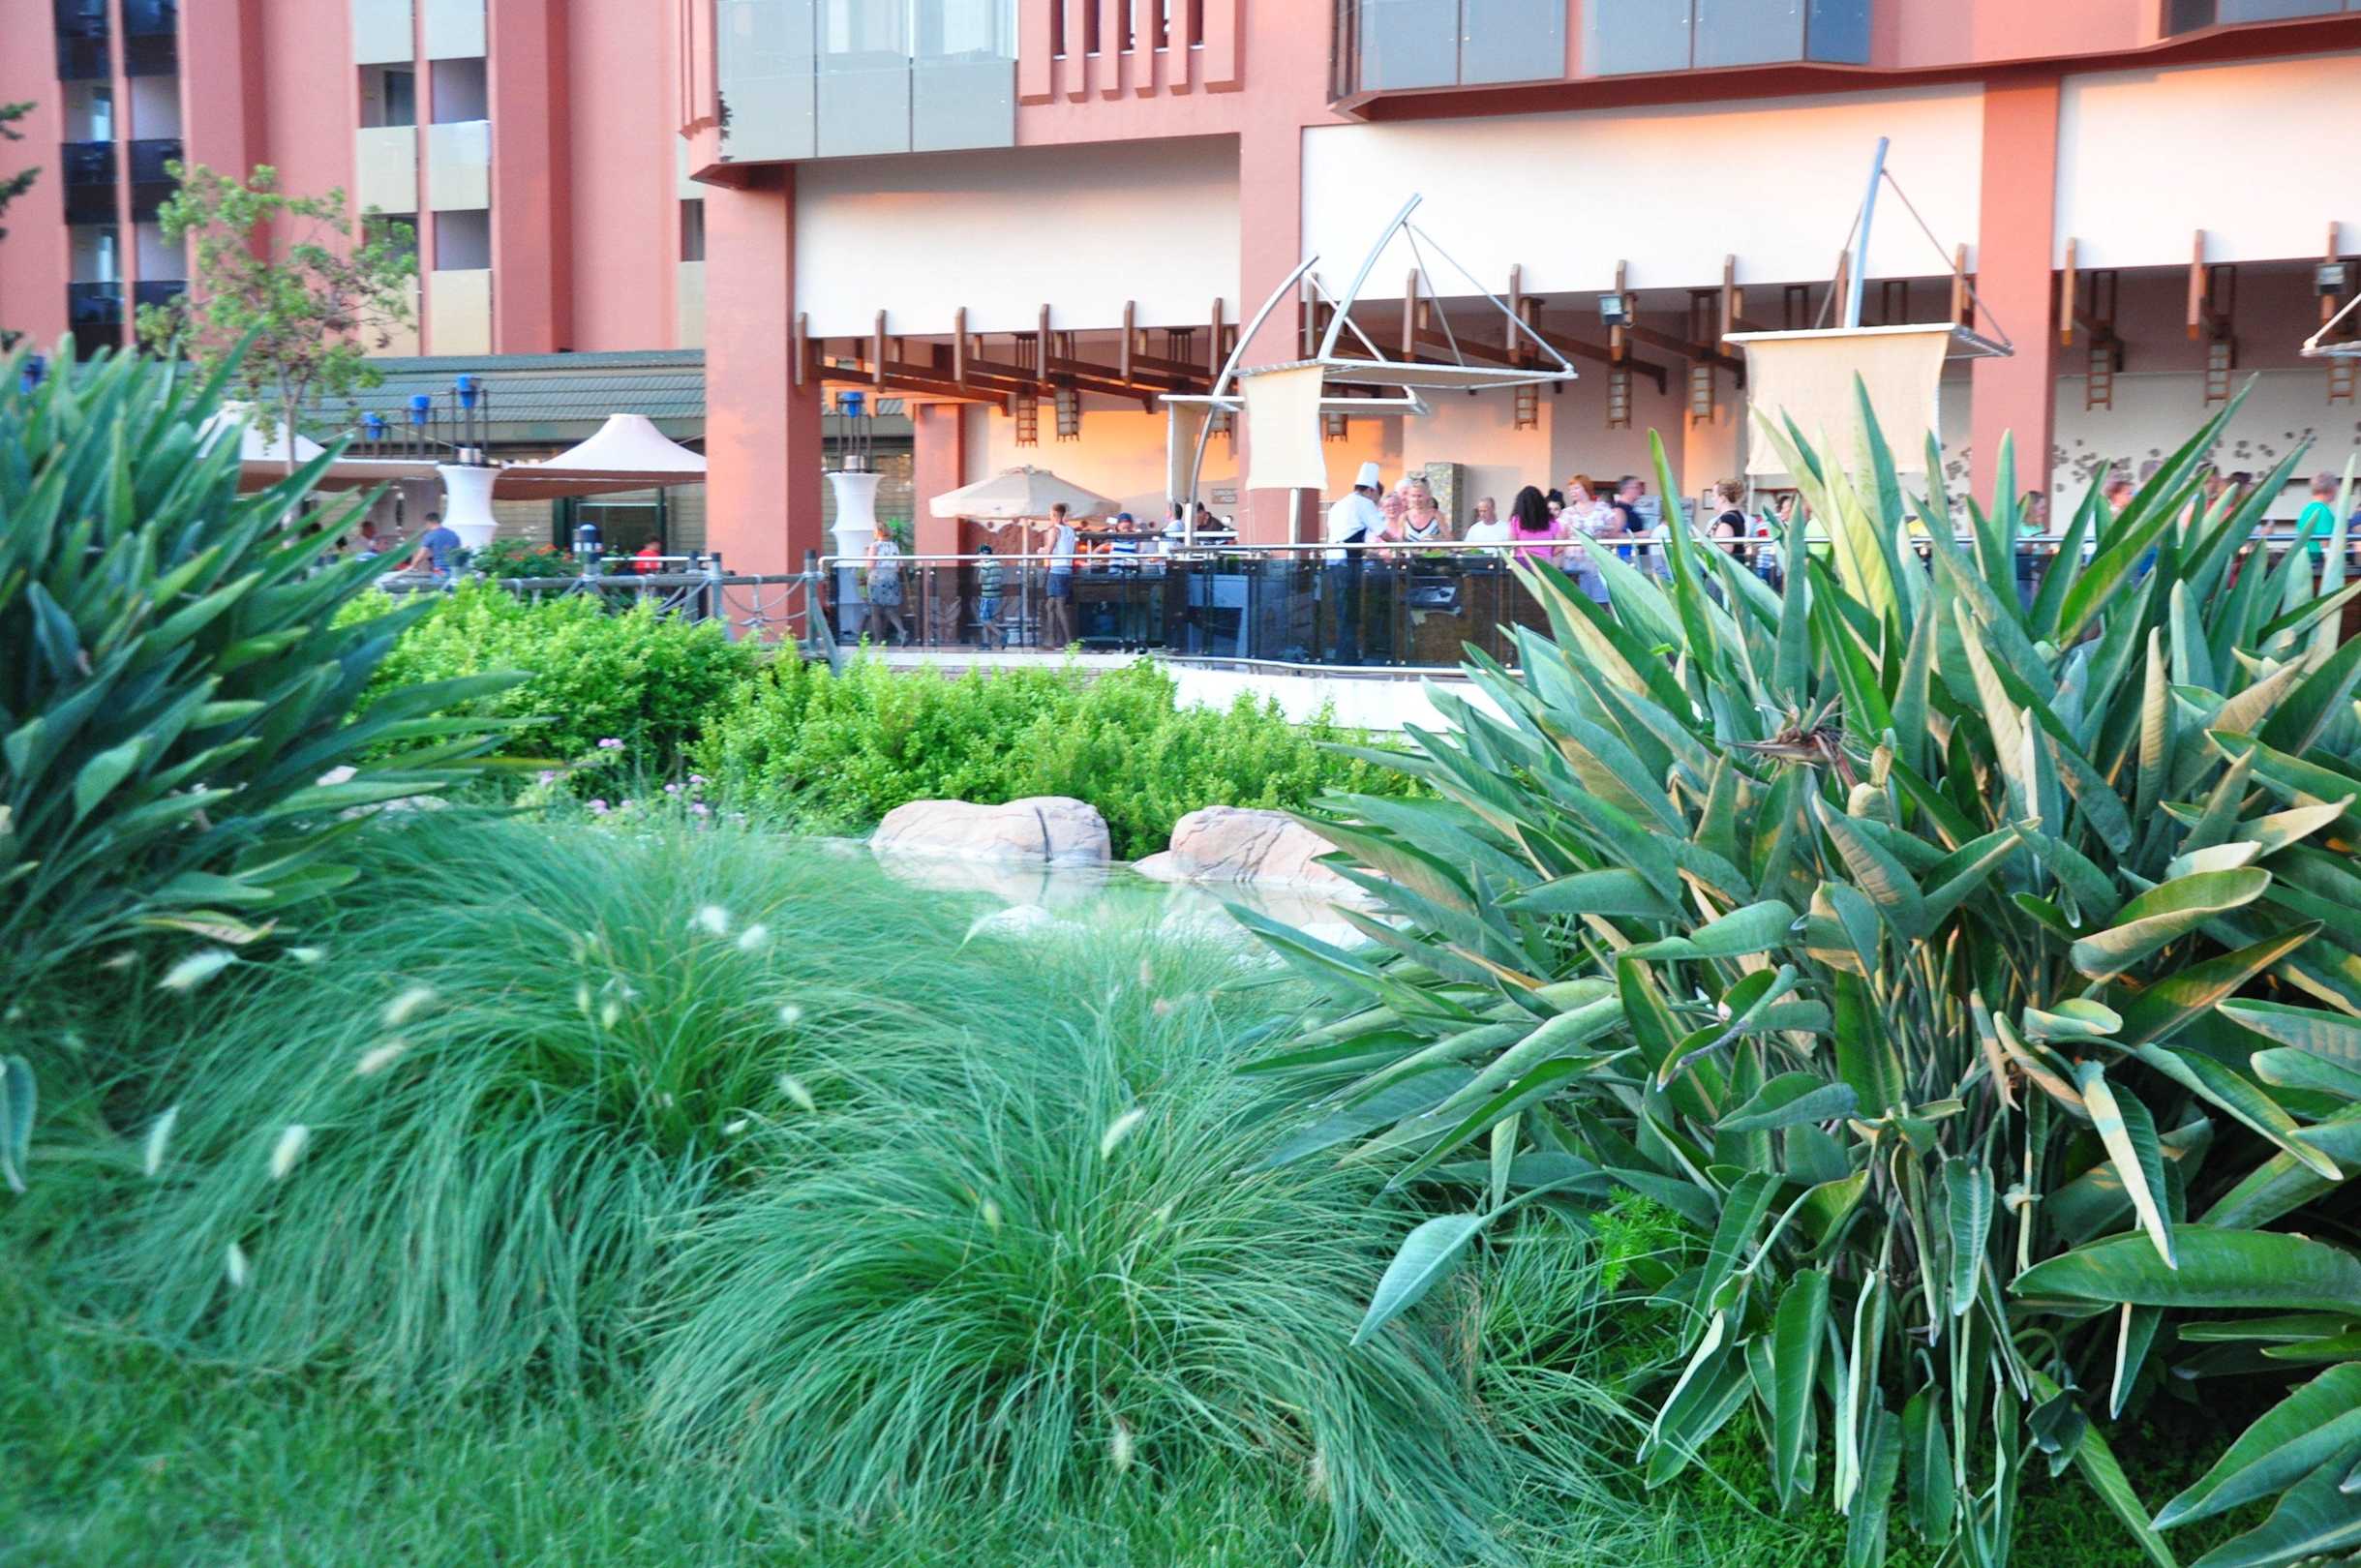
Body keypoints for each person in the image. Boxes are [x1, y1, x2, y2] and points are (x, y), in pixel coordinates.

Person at [1324, 460, 1384, 664]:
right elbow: (1382, 531)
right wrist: (1403, 546)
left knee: (1343, 609)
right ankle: (1346, 658)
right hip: (1348, 561)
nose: (1376, 501)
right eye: (1377, 496)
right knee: (1349, 609)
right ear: (1370, 490)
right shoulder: (1364, 503)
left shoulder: (1340, 504)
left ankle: (1346, 654)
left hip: (1334, 560)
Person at [1042, 502, 1078, 648]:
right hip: (1067, 569)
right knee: (1050, 605)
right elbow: (1074, 551)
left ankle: (1068, 641)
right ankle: (1052, 639)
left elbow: (1048, 550)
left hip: (1056, 570)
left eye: (1050, 515)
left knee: (1059, 606)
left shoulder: (1054, 530)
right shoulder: (1071, 531)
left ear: (1054, 515)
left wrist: (1040, 550)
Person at [863, 530, 909, 646]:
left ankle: (878, 639)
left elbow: (870, 565)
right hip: (892, 578)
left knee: (875, 610)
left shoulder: (875, 546)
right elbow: (900, 566)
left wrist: (867, 574)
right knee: (890, 609)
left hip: (877, 578)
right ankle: (902, 631)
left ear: (876, 533)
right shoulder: (894, 546)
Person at [1506, 485, 1561, 567]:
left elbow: (1511, 543)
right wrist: (1548, 554)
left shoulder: (1516, 520)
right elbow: (1561, 546)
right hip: (1545, 562)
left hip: (1523, 562)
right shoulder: (1551, 521)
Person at [2297, 472, 2342, 568]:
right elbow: (2325, 541)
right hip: (2318, 561)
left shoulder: (2307, 509)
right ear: (2331, 489)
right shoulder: (2323, 510)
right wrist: (2331, 565)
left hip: (2305, 559)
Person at [408, 511, 463, 582]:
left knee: (437, 588)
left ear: (429, 522)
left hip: (439, 572)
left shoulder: (430, 535)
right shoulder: (453, 534)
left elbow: (420, 555)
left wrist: (412, 566)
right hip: (454, 572)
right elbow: (457, 552)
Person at [973, 543, 1005, 650]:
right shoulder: (998, 564)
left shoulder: (986, 566)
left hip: (987, 595)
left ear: (982, 554)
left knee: (984, 619)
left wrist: (981, 567)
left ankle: (1001, 635)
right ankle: (986, 643)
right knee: (988, 619)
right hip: (996, 595)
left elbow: (980, 580)